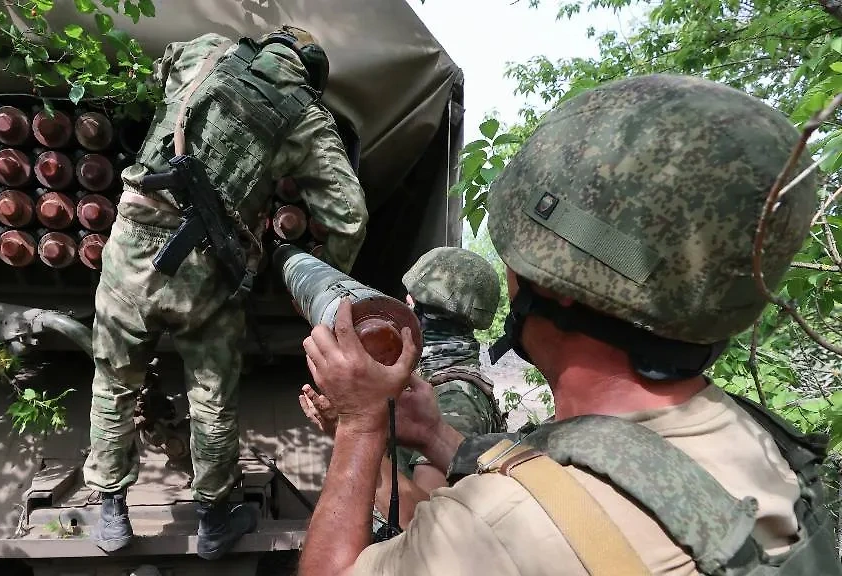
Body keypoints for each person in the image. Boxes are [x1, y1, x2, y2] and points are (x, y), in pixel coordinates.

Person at [296, 74, 842, 575]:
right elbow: (619, 471)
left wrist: (361, 424)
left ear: (554, 289)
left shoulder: (503, 528)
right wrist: (434, 434)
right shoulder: (756, 442)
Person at [82, 26, 368, 557]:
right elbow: (348, 217)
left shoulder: (203, 49)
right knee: (211, 393)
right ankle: (214, 519)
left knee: (114, 377)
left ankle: (110, 514)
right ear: (309, 71)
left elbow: (160, 73)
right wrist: (325, 283)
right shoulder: (305, 115)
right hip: (208, 266)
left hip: (131, 243)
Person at [299, 246, 506, 529]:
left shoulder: (453, 398)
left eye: (412, 302)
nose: (405, 304)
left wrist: (351, 433)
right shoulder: (436, 376)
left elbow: (420, 521)